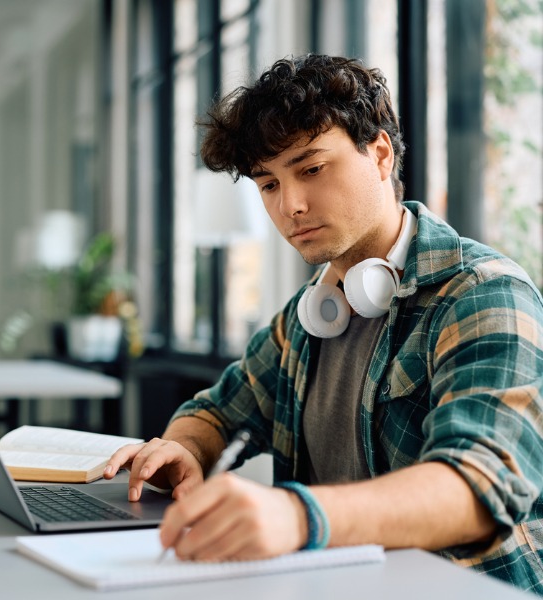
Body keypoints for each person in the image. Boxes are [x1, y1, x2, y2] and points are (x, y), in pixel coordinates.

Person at [104, 54, 543, 593]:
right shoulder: (310, 314)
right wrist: (184, 450)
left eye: (311, 169)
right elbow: (214, 411)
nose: (291, 205)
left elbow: (480, 487)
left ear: (380, 154)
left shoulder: (483, 294)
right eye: (268, 184)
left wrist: (296, 515)